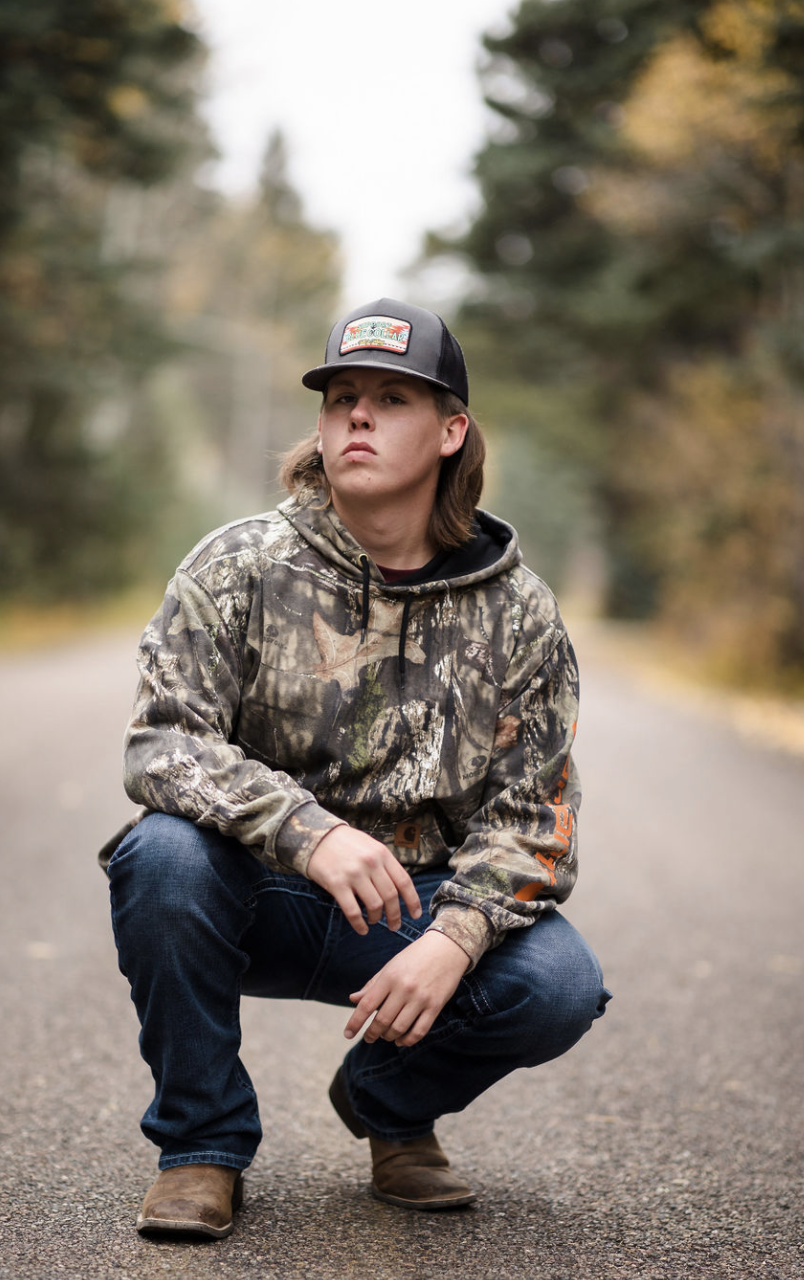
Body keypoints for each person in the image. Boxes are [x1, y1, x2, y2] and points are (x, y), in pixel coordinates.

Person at [102, 297, 610, 1241]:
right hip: (257, 895)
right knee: (162, 856)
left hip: (412, 919)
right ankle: (202, 1147)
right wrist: (309, 833)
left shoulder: (520, 614)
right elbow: (162, 744)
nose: (357, 418)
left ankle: (387, 1104)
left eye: (389, 398)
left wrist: (456, 937)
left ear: (452, 431)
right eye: (340, 398)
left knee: (560, 984)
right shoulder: (238, 568)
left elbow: (535, 820)